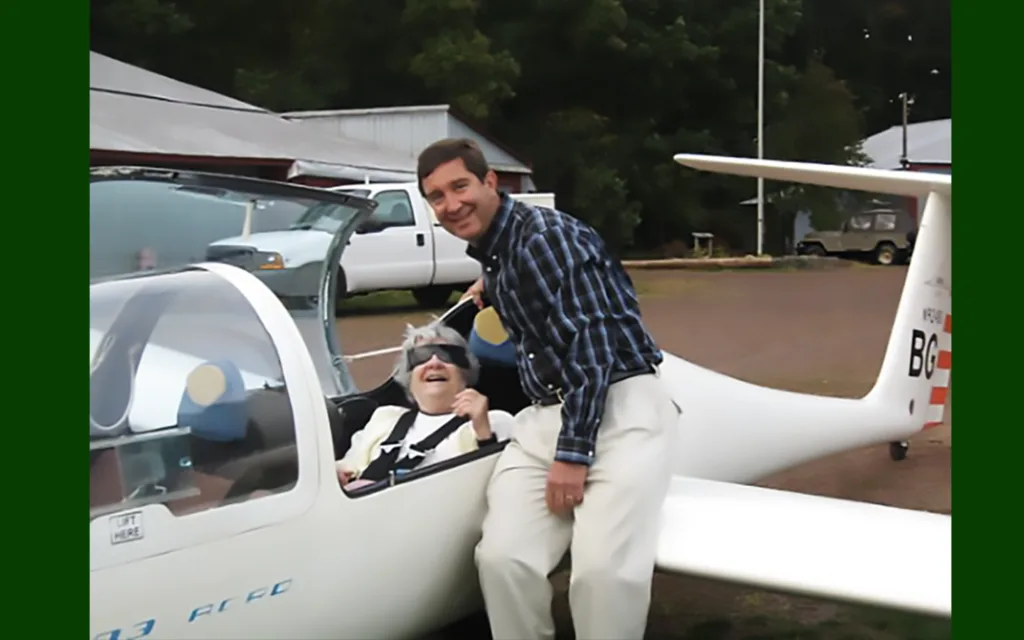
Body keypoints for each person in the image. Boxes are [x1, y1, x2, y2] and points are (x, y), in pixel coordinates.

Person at [417, 138, 681, 639]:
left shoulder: (546, 238)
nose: (451, 205)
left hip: (618, 410)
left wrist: (574, 454)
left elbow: (594, 343)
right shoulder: (502, 250)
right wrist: (488, 284)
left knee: (604, 575)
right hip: (546, 415)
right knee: (502, 559)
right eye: (436, 197)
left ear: (490, 181)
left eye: (460, 186)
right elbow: (535, 285)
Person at [336, 322, 514, 490]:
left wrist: (484, 435)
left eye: (447, 355)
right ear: (409, 377)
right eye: (421, 357)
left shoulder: (492, 421)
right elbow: (346, 468)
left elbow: (502, 487)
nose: (434, 363)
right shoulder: (385, 418)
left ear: (465, 373)